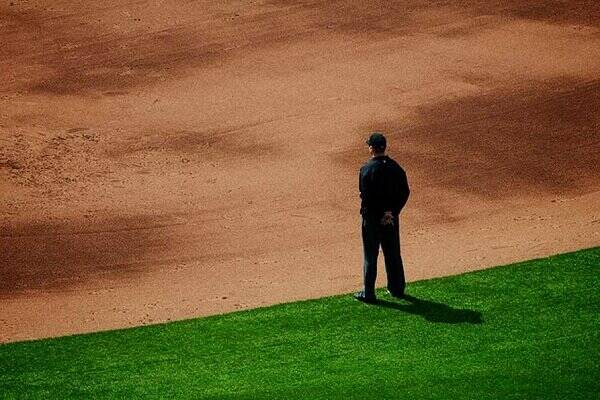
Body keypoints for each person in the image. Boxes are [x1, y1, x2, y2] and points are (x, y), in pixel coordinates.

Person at [355, 132, 410, 304]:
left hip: (372, 220)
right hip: (391, 220)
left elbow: (366, 197)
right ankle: (397, 288)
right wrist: (391, 212)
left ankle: (369, 293)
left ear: (371, 148)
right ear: (384, 147)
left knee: (370, 255)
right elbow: (404, 192)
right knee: (393, 253)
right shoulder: (395, 167)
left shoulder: (366, 169)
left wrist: (381, 214)